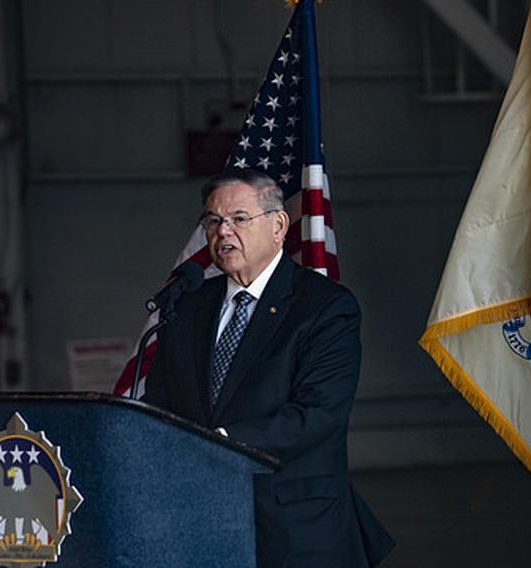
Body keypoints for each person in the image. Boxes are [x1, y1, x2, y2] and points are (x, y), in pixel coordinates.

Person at [145, 168, 394, 567]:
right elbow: (160, 403)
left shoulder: (325, 307)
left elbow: (318, 414)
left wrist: (219, 443)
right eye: (213, 222)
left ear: (279, 226)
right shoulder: (187, 305)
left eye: (239, 219)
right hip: (200, 523)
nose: (223, 232)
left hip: (295, 527)